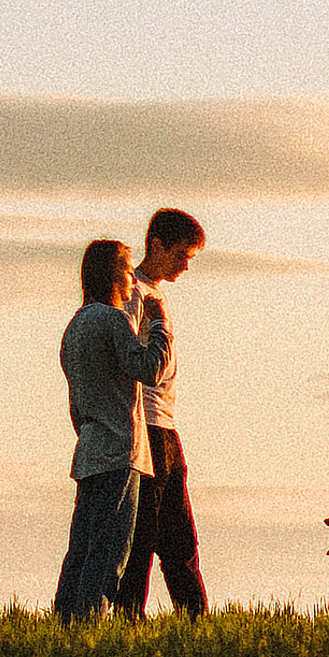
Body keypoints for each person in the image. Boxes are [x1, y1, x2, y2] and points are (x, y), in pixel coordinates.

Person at [53, 238, 171, 620]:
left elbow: (76, 399)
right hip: (120, 449)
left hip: (88, 448)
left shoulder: (75, 326)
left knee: (81, 547)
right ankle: (90, 620)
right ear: (112, 275)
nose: (132, 279)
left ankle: (65, 618)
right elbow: (148, 369)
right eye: (126, 269)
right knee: (109, 550)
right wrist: (158, 324)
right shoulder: (114, 319)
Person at [112, 206, 210, 617]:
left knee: (179, 536)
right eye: (182, 254)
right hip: (147, 425)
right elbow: (134, 361)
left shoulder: (153, 291)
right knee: (144, 535)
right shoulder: (134, 293)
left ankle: (195, 618)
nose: (187, 265)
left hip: (165, 427)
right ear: (158, 245)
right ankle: (129, 617)